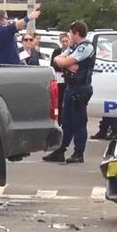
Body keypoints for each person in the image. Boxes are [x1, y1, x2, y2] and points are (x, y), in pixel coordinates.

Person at [43, 21, 95, 164]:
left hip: (81, 88)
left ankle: (79, 153)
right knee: (66, 122)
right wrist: (64, 61)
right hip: (70, 87)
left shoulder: (86, 47)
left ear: (76, 33)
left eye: (71, 33)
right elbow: (57, 60)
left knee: (79, 122)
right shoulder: (73, 47)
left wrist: (65, 62)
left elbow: (64, 62)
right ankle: (60, 151)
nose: (70, 35)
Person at [50, 33, 70, 125]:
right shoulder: (57, 52)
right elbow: (53, 65)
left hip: (67, 80)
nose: (65, 43)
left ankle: (65, 121)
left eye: (66, 41)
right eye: (63, 41)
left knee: (66, 102)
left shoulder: (72, 52)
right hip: (58, 79)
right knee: (57, 102)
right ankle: (58, 120)